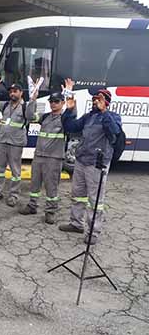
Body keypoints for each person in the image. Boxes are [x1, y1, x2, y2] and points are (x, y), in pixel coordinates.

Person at [59, 86, 121, 245]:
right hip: (81, 161)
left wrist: (104, 112)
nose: (95, 101)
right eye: (94, 99)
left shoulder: (113, 117)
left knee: (95, 201)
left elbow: (114, 132)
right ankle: (76, 223)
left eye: (99, 99)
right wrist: (69, 109)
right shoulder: (88, 117)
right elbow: (70, 127)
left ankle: (93, 233)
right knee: (78, 194)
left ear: (106, 101)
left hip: (97, 164)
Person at [19, 82, 73, 224]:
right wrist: (33, 99)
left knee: (51, 186)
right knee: (34, 184)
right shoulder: (45, 117)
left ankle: (50, 212)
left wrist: (69, 94)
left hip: (54, 159)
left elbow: (72, 113)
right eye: (51, 101)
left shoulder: (65, 119)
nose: (53, 104)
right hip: (39, 156)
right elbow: (29, 116)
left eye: (56, 101)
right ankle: (32, 206)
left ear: (62, 103)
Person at [0, 82, 28, 206]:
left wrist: (33, 98)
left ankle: (14, 195)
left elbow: (32, 116)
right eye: (11, 91)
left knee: (15, 171)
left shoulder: (25, 107)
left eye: (15, 91)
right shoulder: (5, 105)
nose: (12, 93)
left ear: (21, 93)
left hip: (16, 143)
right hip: (2, 141)